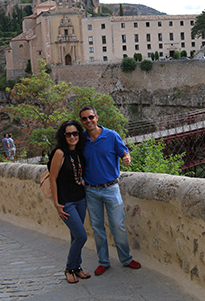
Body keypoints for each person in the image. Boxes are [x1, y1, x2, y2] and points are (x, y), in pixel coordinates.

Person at [79, 105, 141, 275]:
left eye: (91, 117)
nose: (88, 121)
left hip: (111, 188)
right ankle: (103, 261)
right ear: (81, 121)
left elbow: (124, 153)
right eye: (84, 118)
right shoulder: (81, 140)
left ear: (96, 117)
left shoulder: (111, 135)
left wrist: (127, 158)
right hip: (91, 190)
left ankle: (126, 259)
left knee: (117, 226)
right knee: (97, 228)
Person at [49, 120, 91, 283]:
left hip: (80, 199)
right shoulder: (60, 153)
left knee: (75, 237)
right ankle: (69, 268)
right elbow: (53, 179)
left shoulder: (79, 152)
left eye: (75, 133)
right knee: (81, 237)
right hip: (66, 203)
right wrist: (57, 204)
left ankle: (77, 268)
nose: (72, 137)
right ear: (63, 136)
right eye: (68, 134)